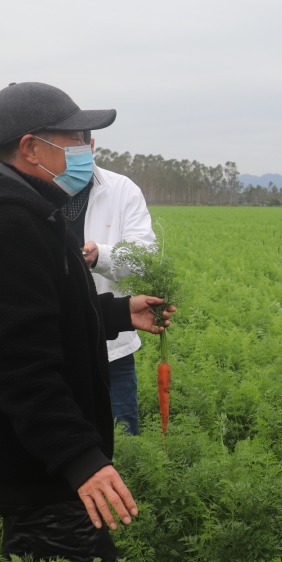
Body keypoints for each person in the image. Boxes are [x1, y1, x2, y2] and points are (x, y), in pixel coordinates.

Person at [0, 82, 173, 562]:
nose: (87, 149)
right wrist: (80, 461)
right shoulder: (5, 227)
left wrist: (119, 311)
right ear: (32, 148)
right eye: (75, 137)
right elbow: (18, 364)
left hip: (26, 448)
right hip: (31, 461)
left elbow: (43, 318)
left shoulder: (28, 211)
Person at [75, 129, 157, 436]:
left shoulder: (122, 190)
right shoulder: (38, 193)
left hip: (113, 350)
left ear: (91, 145)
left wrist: (100, 257)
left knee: (124, 441)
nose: (72, 153)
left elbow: (145, 258)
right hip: (54, 347)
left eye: (78, 143)